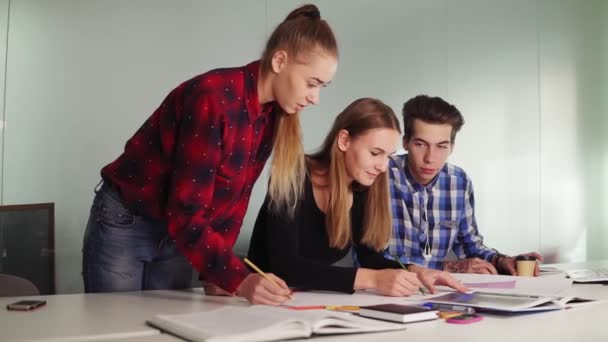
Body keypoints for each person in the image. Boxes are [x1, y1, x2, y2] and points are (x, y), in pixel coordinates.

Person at [82, 4, 338, 305]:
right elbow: (187, 212)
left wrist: (217, 275)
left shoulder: (272, 117)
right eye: (312, 83)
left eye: (323, 87)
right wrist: (237, 278)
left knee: (164, 329)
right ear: (280, 60)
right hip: (127, 221)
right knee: (115, 328)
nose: (316, 98)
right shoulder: (213, 98)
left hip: (179, 234)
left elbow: (233, 204)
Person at [247, 98, 467, 295]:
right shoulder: (293, 173)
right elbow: (285, 266)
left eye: (388, 156)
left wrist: (416, 272)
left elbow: (370, 257)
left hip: (306, 301)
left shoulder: (362, 185)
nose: (383, 167)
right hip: (259, 300)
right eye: (375, 153)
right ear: (344, 140)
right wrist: (371, 279)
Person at [386, 95, 543, 275]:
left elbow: (469, 246)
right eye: (420, 144)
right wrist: (446, 267)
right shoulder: (382, 175)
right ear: (405, 142)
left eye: (441, 146)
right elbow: (373, 257)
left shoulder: (458, 181)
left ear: (452, 147)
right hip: (385, 291)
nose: (430, 158)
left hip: (437, 290)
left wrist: (500, 260)